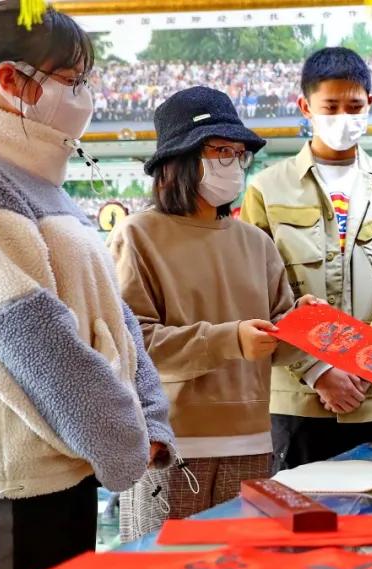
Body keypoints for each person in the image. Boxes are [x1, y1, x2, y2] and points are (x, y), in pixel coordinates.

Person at [0, 1, 173, 569]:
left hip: (61, 468)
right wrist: (123, 436)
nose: (86, 96)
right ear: (12, 81)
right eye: (73, 80)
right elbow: (29, 334)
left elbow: (116, 318)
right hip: (5, 483)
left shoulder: (38, 182)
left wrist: (147, 421)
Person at [110, 87, 319, 541]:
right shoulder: (137, 236)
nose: (233, 163)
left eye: (239, 153)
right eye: (220, 150)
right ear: (179, 159)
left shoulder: (256, 243)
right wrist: (231, 340)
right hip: (169, 447)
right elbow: (133, 344)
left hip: (253, 445)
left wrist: (301, 326)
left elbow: (277, 345)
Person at [241, 47, 372, 470]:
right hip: (299, 402)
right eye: (331, 107)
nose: (344, 117)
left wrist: (366, 361)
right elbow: (256, 290)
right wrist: (318, 370)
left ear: (371, 104)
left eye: (355, 106)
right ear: (305, 106)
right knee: (299, 510)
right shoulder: (265, 190)